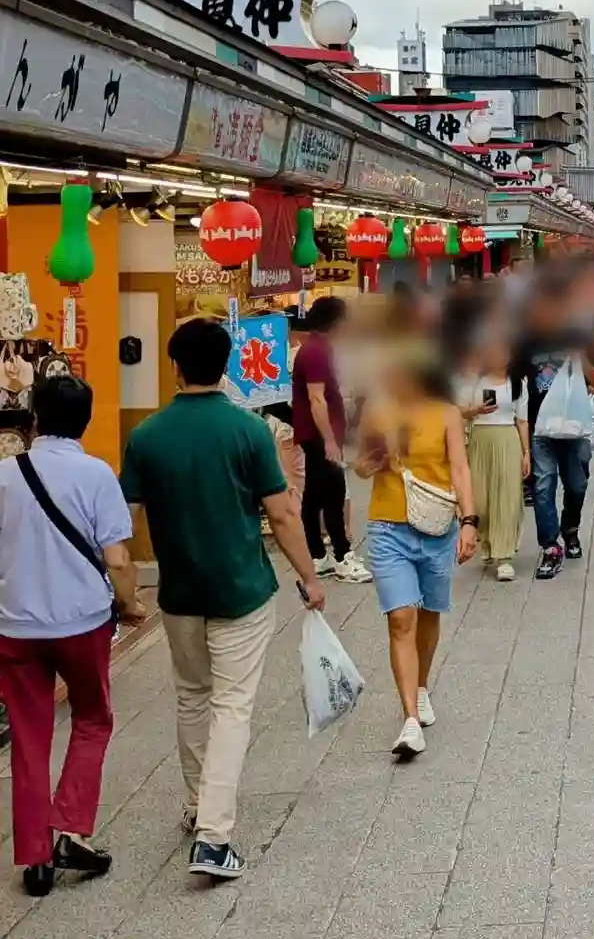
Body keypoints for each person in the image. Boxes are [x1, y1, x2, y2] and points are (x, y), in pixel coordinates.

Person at [122, 317, 326, 881]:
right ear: (226, 366)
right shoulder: (248, 430)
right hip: (242, 587)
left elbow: (125, 519)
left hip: (179, 589)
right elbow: (281, 513)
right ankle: (214, 837)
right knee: (232, 705)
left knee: (192, 696)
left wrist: (122, 583)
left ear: (175, 366)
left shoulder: (147, 436)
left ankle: (198, 803)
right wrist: (310, 576)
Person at [0, 373, 142, 897]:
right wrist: (130, 604)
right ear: (86, 420)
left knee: (29, 735)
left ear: (34, 418)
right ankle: (71, 827)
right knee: (92, 718)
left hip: (15, 626)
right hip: (82, 621)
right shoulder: (97, 474)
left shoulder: (5, 475)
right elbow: (117, 558)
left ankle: (35, 857)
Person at [355, 354, 477, 758]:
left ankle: (421, 686)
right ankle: (409, 719)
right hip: (388, 526)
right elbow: (360, 467)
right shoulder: (377, 410)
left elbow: (459, 468)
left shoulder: (446, 413)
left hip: (437, 528)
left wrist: (469, 520)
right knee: (400, 617)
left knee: (429, 612)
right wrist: (372, 462)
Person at [515, 285, 594, 581]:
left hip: (575, 429)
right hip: (541, 430)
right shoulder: (528, 341)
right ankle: (550, 547)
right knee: (543, 486)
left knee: (577, 486)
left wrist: (581, 357)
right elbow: (514, 379)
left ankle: (570, 528)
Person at [290, 298, 371, 584]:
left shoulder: (319, 348)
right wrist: (329, 441)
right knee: (334, 493)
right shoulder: (315, 352)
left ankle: (317, 555)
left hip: (319, 434)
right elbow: (316, 399)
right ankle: (341, 556)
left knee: (314, 495)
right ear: (336, 321)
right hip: (319, 435)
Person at [459, 330, 530, 581]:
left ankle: (505, 555)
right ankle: (487, 541)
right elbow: (459, 411)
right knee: (481, 498)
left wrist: (526, 452)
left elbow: (522, 420)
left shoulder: (518, 383)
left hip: (507, 439)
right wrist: (476, 410)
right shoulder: (474, 380)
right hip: (480, 439)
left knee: (507, 496)